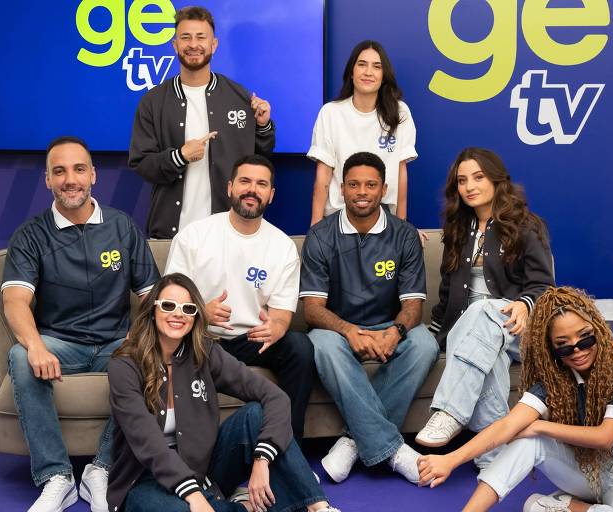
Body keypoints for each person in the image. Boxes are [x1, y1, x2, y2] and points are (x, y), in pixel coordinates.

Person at [2, 136, 160, 512]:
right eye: (59, 171)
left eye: (77, 169)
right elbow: (15, 300)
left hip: (115, 342)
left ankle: (99, 469)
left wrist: (190, 313)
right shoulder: (30, 235)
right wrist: (37, 345)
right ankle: (56, 476)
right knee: (21, 357)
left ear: (93, 175)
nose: (69, 179)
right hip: (60, 343)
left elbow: (151, 296)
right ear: (47, 180)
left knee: (154, 357)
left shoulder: (122, 226)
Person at [418, 286, 613, 512]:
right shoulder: (555, 379)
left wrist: (539, 426)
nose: (577, 350)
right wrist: (450, 460)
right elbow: (506, 426)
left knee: (533, 433)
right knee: (529, 441)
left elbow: (605, 437)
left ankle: (563, 506)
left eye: (585, 337)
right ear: (553, 351)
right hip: (587, 473)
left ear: (598, 330)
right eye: (564, 345)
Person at [107, 273, 340, 512]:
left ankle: (318, 507)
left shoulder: (204, 352)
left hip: (202, 472)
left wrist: (262, 460)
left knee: (256, 414)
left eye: (188, 308)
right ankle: (242, 507)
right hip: (145, 481)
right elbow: (148, 441)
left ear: (195, 316)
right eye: (168, 306)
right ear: (153, 311)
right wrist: (194, 496)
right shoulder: (125, 364)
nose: (178, 314)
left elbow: (275, 397)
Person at [300, 151, 439, 484]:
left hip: (387, 325)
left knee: (424, 344)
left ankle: (352, 441)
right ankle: (393, 449)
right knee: (321, 344)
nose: (362, 191)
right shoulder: (321, 235)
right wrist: (348, 331)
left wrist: (396, 330)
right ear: (342, 189)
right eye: (354, 184)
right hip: (337, 329)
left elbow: (413, 306)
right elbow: (313, 309)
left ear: (383, 189)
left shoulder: (404, 234)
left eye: (370, 185)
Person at [415, 147, 554, 467]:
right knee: (488, 356)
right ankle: (494, 457)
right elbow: (448, 294)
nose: (470, 186)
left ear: (496, 179)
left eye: (478, 177)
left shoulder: (526, 225)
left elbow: (543, 284)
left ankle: (450, 411)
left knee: (482, 312)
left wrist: (525, 303)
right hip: (470, 333)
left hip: (516, 325)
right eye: (462, 181)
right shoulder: (457, 230)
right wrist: (432, 334)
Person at [164, 154, 314, 443]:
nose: (251, 190)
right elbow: (169, 302)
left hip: (251, 340)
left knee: (300, 347)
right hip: (200, 339)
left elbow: (283, 313)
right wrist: (199, 312)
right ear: (230, 187)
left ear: (270, 195)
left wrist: (278, 326)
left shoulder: (282, 246)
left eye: (261, 184)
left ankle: (286, 445)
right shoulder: (195, 235)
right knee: (172, 347)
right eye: (245, 181)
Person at [129, 6, 275, 239]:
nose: (193, 44)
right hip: (171, 233)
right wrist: (179, 156)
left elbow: (261, 155)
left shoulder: (239, 96)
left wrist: (263, 125)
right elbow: (141, 164)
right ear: (175, 45)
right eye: (185, 37)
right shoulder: (153, 102)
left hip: (228, 232)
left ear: (214, 45)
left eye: (201, 37)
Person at [308, 40, 416, 226]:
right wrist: (315, 226)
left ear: (384, 75)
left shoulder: (400, 112)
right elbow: (323, 174)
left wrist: (403, 226)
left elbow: (401, 172)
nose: (368, 72)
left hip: (383, 215)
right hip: (339, 215)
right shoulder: (331, 112)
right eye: (362, 65)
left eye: (376, 67)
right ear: (351, 72)